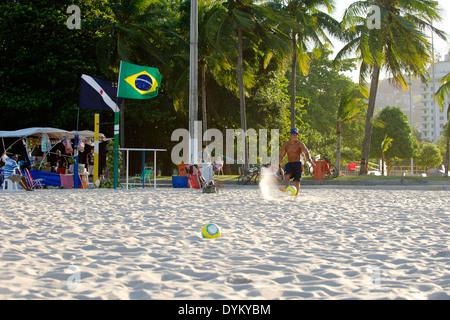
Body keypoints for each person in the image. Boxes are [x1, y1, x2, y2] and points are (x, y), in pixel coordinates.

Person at [277, 128, 314, 197]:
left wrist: (309, 159)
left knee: (297, 181)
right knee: (286, 176)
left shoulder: (300, 144)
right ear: (290, 135)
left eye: (296, 134)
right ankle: (287, 188)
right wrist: (276, 163)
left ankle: (296, 196)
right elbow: (282, 155)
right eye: (293, 134)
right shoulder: (286, 144)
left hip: (297, 164)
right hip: (290, 163)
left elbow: (306, 152)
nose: (295, 136)